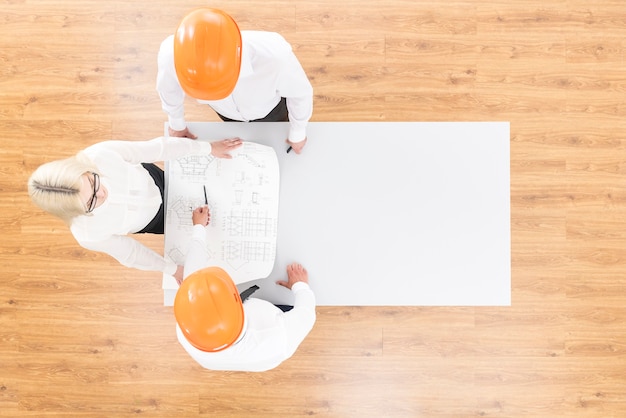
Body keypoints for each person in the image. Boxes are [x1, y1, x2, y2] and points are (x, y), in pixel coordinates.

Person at [27, 136, 242, 284]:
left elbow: (157, 148)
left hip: (155, 179)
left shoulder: (100, 155)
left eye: (93, 182)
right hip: (155, 221)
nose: (102, 194)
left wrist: (208, 148)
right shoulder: (87, 234)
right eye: (91, 202)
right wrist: (173, 270)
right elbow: (131, 253)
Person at [174, 206, 316, 371]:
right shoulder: (278, 337)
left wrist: (199, 228)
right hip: (270, 328)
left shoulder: (188, 329)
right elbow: (306, 315)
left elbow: (194, 275)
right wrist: (300, 286)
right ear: (236, 304)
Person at [156, 8, 313, 154]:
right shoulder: (171, 56)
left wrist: (297, 133)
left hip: (271, 110)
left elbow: (300, 94)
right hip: (226, 113)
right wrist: (176, 123)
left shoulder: (275, 57)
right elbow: (168, 89)